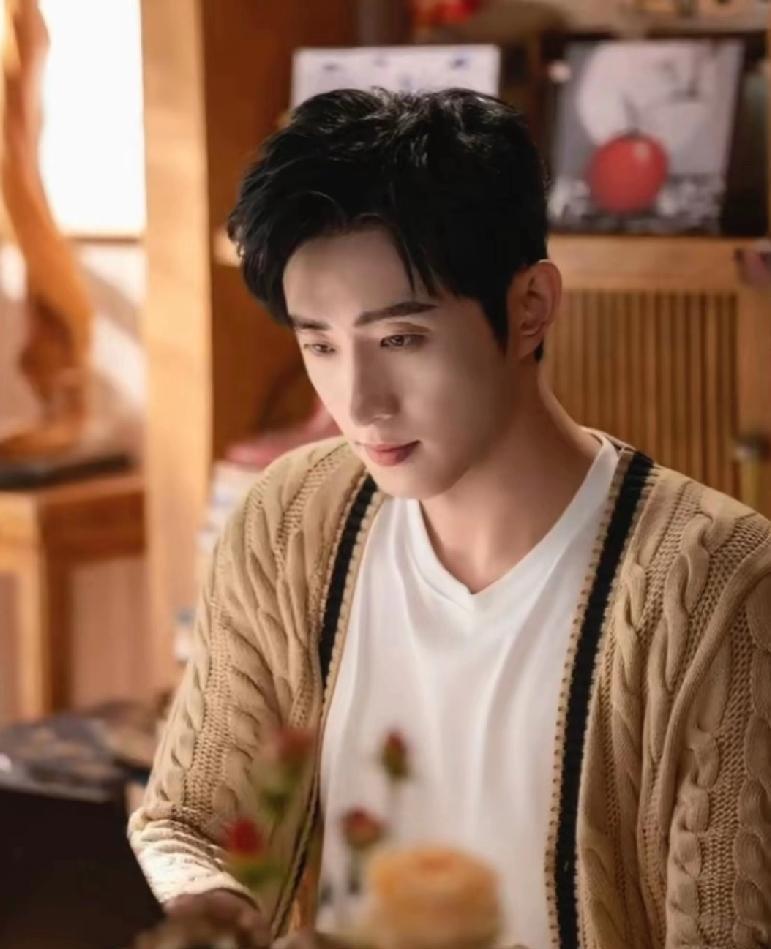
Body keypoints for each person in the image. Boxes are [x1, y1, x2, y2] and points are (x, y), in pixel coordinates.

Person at [130, 88, 771, 949]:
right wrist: (222, 913)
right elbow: (189, 822)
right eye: (319, 344)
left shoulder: (717, 586)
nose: (358, 402)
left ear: (530, 307)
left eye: (399, 339)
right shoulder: (289, 519)